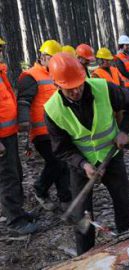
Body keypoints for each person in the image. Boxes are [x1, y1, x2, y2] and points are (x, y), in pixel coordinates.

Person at [44, 53, 129, 255]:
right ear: (57, 85)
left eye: (79, 84)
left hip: (111, 158)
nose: (77, 90)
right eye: (70, 88)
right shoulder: (52, 110)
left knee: (124, 207)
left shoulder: (103, 88)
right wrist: (83, 165)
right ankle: (85, 258)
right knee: (82, 218)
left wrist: (125, 131)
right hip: (80, 166)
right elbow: (61, 149)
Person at [17, 40, 71, 211]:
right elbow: (24, 102)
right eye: (53, 58)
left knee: (63, 163)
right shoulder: (30, 76)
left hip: (58, 128)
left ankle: (66, 199)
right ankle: (40, 189)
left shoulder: (54, 73)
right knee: (56, 162)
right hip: (41, 132)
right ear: (43, 56)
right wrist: (25, 126)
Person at [0, 37, 38, 235]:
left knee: (15, 174)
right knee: (8, 178)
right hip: (1, 139)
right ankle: (15, 221)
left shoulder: (1, 72)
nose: (0, 51)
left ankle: (18, 211)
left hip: (8, 134)